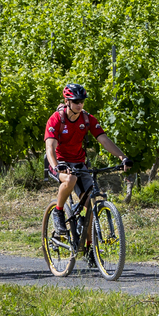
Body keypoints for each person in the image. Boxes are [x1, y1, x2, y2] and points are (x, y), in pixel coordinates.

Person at [44, 84, 128, 241]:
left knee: (91, 202)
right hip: (58, 161)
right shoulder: (56, 119)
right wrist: (57, 166)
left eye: (82, 101)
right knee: (70, 179)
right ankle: (58, 211)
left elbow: (104, 139)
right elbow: (50, 146)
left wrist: (122, 157)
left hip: (78, 162)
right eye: (76, 101)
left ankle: (89, 247)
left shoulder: (87, 119)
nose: (79, 105)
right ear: (67, 101)